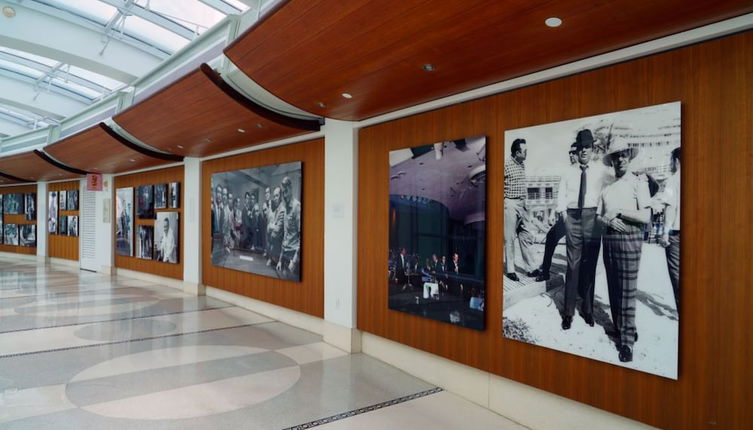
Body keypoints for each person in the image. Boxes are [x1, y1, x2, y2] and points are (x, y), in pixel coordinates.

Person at [598, 137, 651, 362]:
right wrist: (608, 221)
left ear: (629, 157)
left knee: (627, 291)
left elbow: (646, 216)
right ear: (611, 161)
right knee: (614, 288)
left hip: (630, 237)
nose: (620, 159)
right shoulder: (606, 187)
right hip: (609, 239)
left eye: (623, 155)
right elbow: (598, 216)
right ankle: (621, 328)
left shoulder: (639, 182)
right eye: (616, 156)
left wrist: (620, 211)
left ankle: (627, 342)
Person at [557, 129, 612, 330]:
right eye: (581, 147)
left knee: (589, 266)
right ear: (577, 149)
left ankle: (587, 310)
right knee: (572, 265)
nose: (584, 151)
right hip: (572, 217)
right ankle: (568, 312)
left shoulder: (601, 171)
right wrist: (563, 214)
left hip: (592, 219)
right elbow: (561, 194)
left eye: (587, 147)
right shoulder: (568, 171)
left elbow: (610, 190)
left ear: (592, 149)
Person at [531, 143, 578, 282]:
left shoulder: (585, 172)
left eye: (573, 152)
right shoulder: (567, 172)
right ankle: (545, 272)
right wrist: (555, 214)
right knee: (551, 236)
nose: (571, 155)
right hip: (566, 215)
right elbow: (560, 196)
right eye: (569, 152)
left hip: (582, 217)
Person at [504, 138, 536, 281]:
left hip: (523, 203)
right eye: (525, 151)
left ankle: (530, 268)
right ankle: (511, 270)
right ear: (517, 153)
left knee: (526, 235)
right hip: (510, 203)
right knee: (509, 237)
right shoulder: (505, 164)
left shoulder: (522, 164)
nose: (527, 153)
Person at [659, 147, 681, 311]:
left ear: (676, 161)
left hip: (676, 234)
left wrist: (665, 233)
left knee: (677, 275)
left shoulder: (673, 180)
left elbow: (670, 208)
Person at [277, 176, 301, 279]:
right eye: (283, 193)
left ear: (290, 189)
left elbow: (302, 238)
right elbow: (285, 236)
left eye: (286, 191)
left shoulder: (297, 207)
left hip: (293, 257)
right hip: (285, 255)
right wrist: (280, 260)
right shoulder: (285, 208)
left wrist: (294, 261)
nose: (284, 195)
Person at [267, 186, 285, 267]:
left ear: (281, 196)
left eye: (277, 196)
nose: (275, 198)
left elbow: (277, 230)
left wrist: (271, 226)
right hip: (273, 252)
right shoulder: (276, 210)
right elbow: (268, 230)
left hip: (279, 255)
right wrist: (271, 226)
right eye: (274, 196)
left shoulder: (282, 210)